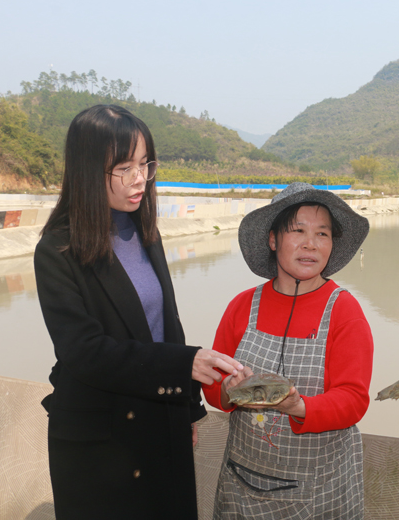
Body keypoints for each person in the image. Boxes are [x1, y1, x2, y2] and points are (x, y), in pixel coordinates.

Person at [34, 104, 243, 520]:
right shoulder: (58, 250)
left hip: (160, 419)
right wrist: (185, 364)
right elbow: (85, 351)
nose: (140, 181)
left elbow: (166, 323)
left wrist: (188, 408)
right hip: (101, 439)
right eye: (124, 167)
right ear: (88, 169)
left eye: (146, 165)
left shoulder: (145, 231)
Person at [203, 182, 373, 519]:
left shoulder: (344, 310)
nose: (311, 243)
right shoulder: (242, 306)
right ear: (272, 239)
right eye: (298, 231)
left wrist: (300, 406)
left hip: (318, 491)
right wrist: (226, 389)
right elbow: (213, 385)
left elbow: (354, 399)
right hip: (243, 484)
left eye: (322, 234)